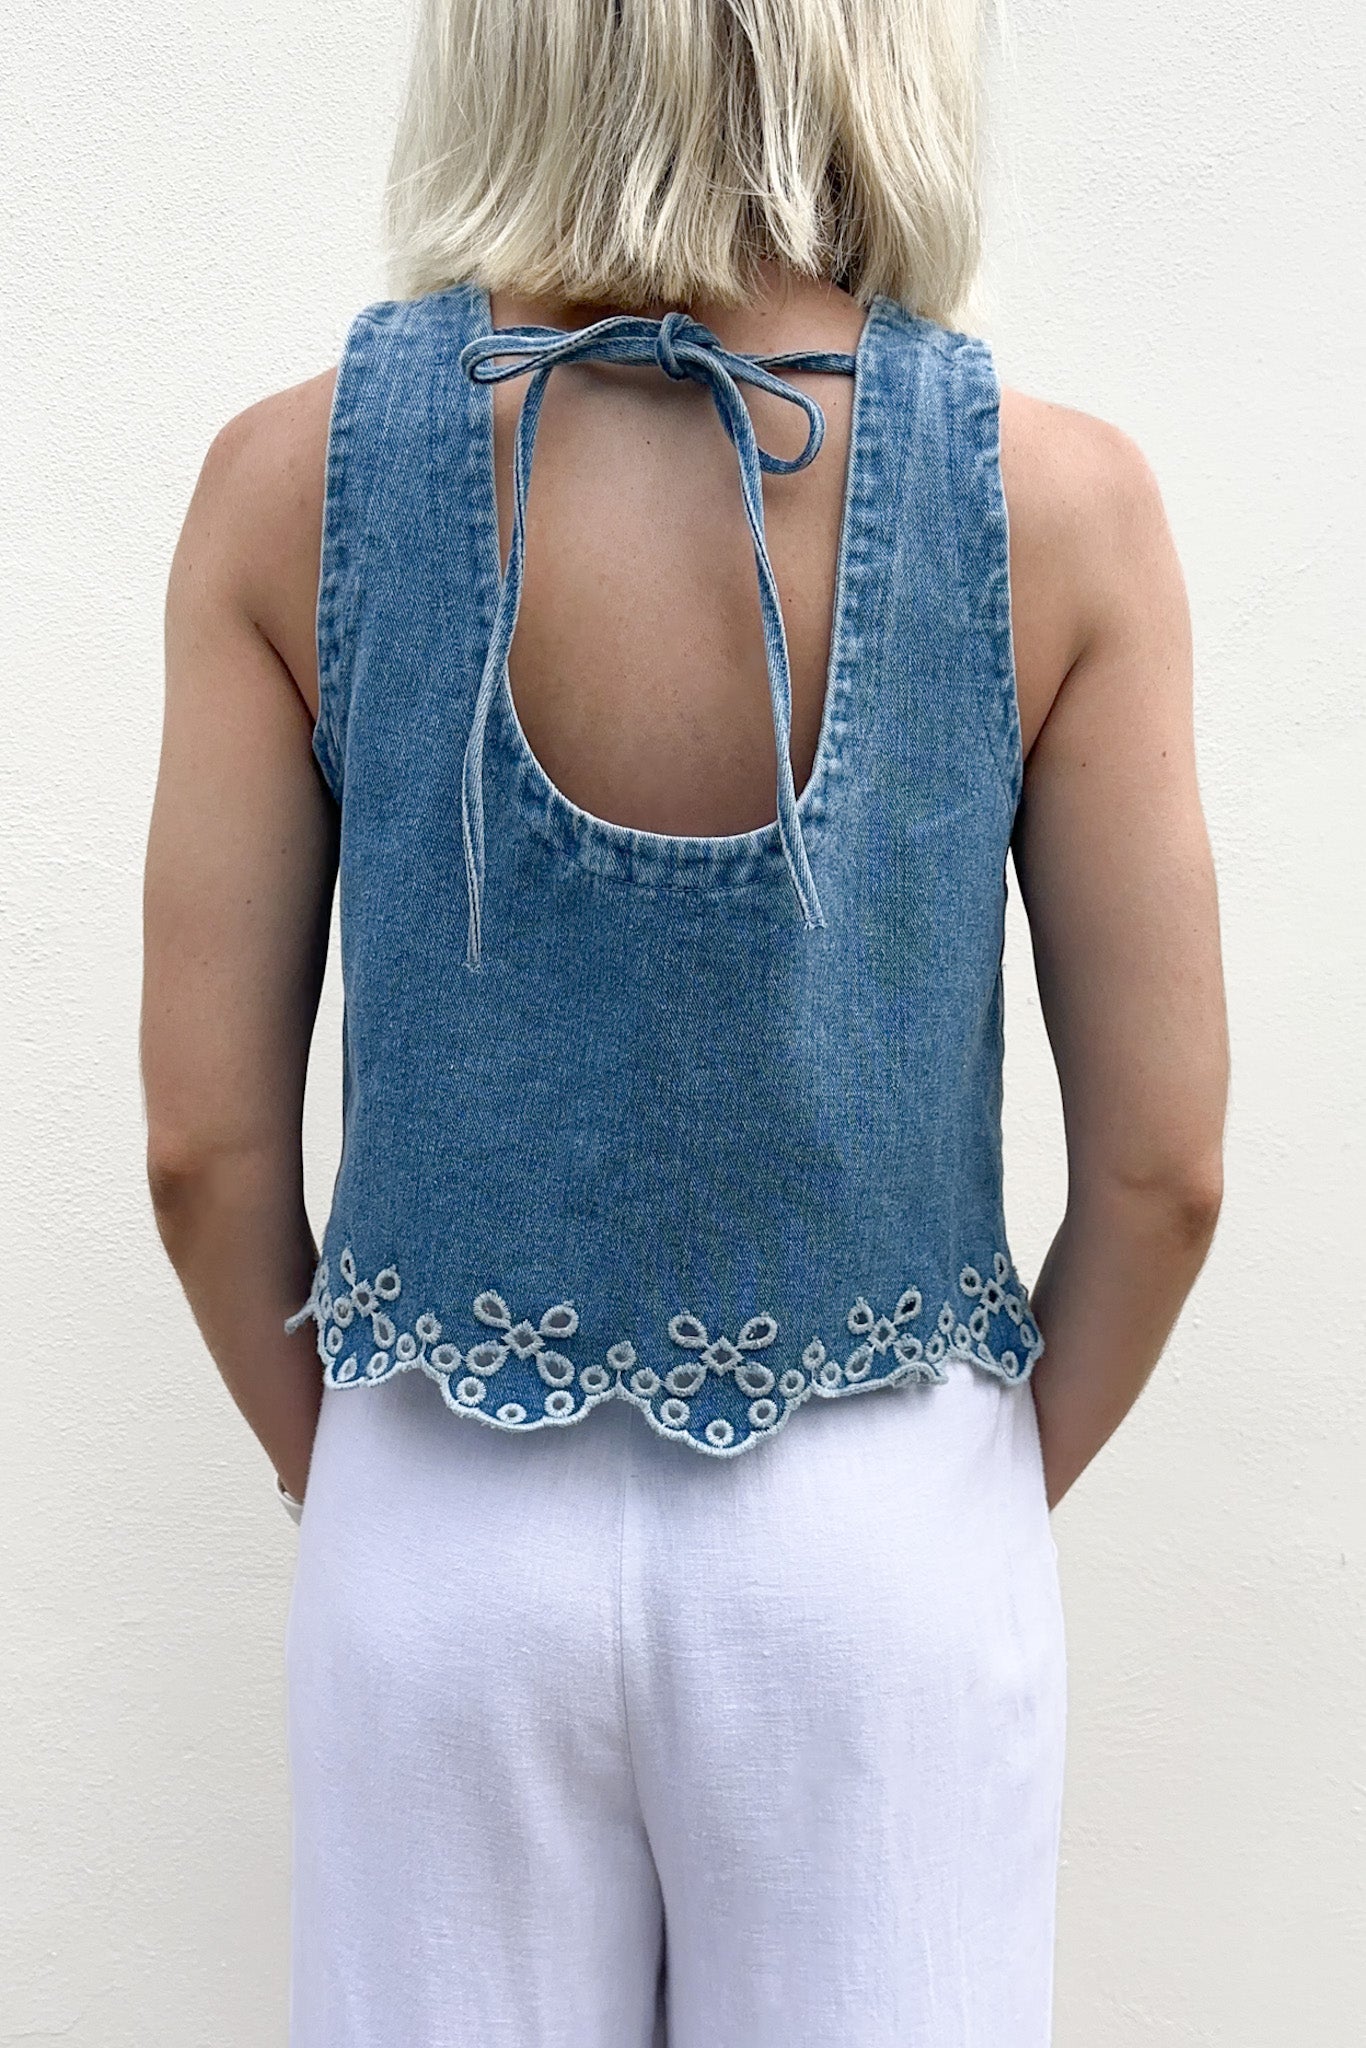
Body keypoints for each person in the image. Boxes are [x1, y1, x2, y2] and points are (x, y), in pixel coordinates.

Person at [141, 2, 1229, 2042]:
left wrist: (364, 1478)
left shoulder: (283, 484)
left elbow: (200, 1150)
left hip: (436, 1514)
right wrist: (962, 1495)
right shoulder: (1058, 505)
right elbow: (1163, 1171)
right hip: (875, 1537)